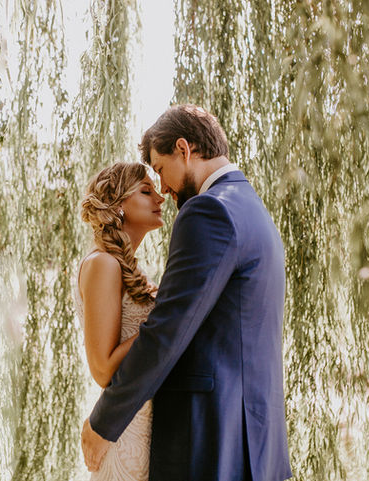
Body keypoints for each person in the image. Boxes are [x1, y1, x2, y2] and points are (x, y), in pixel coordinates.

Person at [81, 104, 292, 480]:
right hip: (253, 439)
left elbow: (168, 329)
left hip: (211, 441)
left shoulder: (207, 211)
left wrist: (103, 422)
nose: (163, 190)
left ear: (184, 149)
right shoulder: (250, 206)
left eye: (160, 170)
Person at [75, 161, 166, 480]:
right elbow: (102, 369)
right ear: (118, 205)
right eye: (146, 191)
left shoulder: (124, 266)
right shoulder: (103, 264)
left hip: (147, 425)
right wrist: (166, 323)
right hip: (127, 436)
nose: (160, 197)